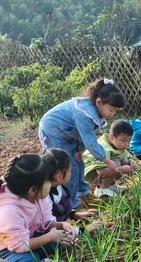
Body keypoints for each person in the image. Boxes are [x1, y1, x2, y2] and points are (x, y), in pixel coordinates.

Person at [38, 78, 126, 209]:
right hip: (53, 131)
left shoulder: (93, 111)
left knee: (79, 163)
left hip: (68, 134)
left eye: (115, 111)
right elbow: (90, 141)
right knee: (69, 167)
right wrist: (107, 160)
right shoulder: (84, 113)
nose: (113, 114)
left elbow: (84, 135)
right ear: (99, 102)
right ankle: (73, 204)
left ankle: (84, 194)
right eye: (111, 110)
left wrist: (80, 150)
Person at [83, 119, 141, 198]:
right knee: (115, 162)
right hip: (90, 175)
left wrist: (132, 160)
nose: (127, 145)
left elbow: (126, 154)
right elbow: (100, 170)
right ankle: (102, 189)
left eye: (129, 141)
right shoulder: (104, 148)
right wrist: (122, 169)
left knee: (125, 161)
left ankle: (111, 186)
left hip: (103, 171)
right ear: (111, 137)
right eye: (124, 141)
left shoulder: (116, 145)